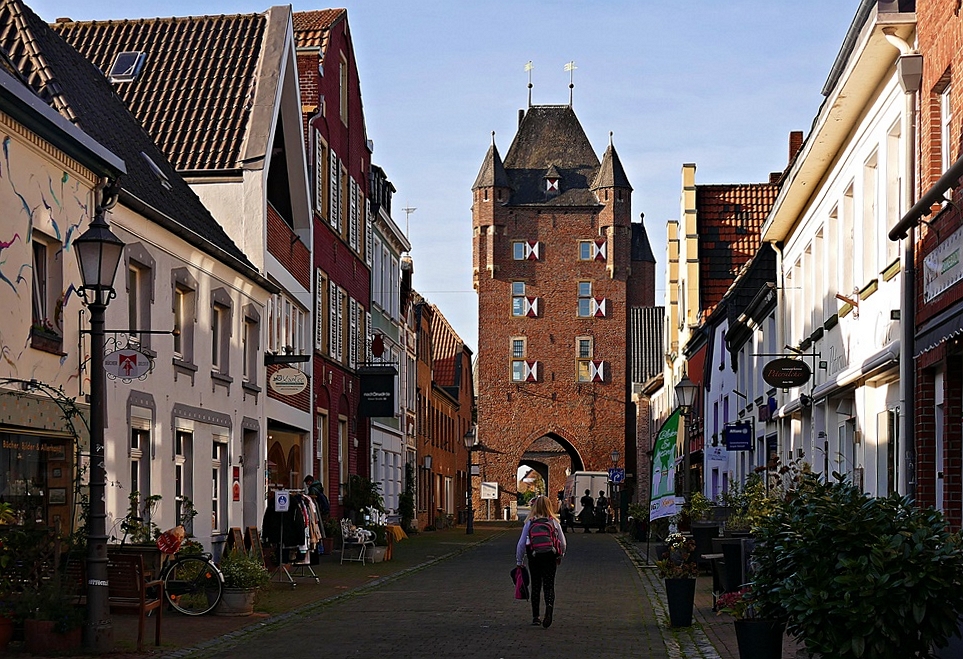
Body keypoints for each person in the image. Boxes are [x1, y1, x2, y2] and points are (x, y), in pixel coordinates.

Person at [515, 495, 566, 628]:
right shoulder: (554, 522)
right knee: (549, 585)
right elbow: (563, 542)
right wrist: (560, 555)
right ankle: (548, 609)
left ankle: (535, 617)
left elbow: (521, 543)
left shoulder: (530, 522)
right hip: (550, 556)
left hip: (534, 556)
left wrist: (519, 561)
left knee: (536, 585)